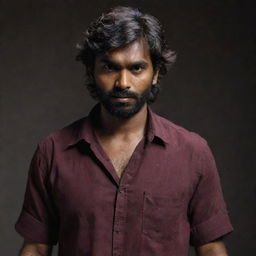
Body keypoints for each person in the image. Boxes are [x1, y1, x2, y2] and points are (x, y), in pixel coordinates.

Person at [15, 6, 233, 256]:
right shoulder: (53, 152)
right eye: (110, 67)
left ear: (155, 73)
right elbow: (35, 249)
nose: (123, 83)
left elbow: (212, 248)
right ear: (91, 71)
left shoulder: (193, 152)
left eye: (137, 68)